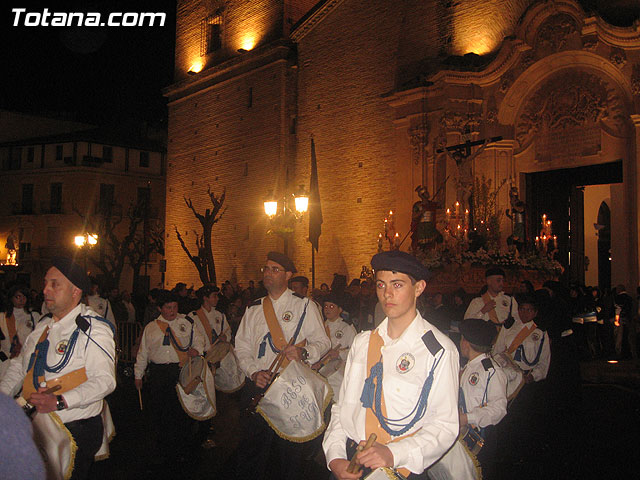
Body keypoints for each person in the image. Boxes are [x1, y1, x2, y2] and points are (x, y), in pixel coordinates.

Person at [323, 250, 459, 480]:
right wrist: (335, 457)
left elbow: (444, 426)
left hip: (401, 466)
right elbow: (342, 406)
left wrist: (393, 453)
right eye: (381, 285)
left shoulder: (438, 350)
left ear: (419, 288)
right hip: (351, 462)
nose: (387, 294)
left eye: (397, 285)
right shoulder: (363, 342)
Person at [0, 257, 116, 480]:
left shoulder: (92, 328)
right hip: (37, 426)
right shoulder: (43, 326)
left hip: (74, 429)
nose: (45, 290)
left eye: (55, 284)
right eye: (45, 283)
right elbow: (20, 366)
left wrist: (61, 401)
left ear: (75, 291)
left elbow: (105, 380)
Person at [234, 251, 330, 480]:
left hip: (290, 388)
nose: (268, 273)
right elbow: (241, 347)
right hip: (259, 386)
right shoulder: (254, 308)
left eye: (274, 269)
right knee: (254, 450)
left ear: (288, 275)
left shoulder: (304, 306)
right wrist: (253, 372)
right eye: (266, 269)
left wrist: (304, 352)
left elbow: (323, 341)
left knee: (289, 454)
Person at [134, 290, 206, 467]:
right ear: (160, 308)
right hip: (159, 373)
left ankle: (183, 448)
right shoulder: (151, 327)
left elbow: (199, 340)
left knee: (181, 412)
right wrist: (138, 374)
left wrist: (196, 350)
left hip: (180, 371)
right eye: (168, 307)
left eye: (175, 307)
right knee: (161, 412)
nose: (172, 311)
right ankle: (164, 448)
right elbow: (143, 353)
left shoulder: (187, 322)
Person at [430, 319, 507, 480]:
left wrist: (466, 418)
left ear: (466, 342)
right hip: (459, 437)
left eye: (462, 338)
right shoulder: (467, 367)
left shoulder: (491, 371)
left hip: (479, 438)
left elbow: (499, 409)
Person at [313, 292, 357, 400]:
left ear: (340, 309)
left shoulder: (346, 327)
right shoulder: (319, 326)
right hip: (320, 373)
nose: (327, 309)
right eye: (326, 306)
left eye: (332, 306)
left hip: (338, 374)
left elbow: (355, 351)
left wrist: (339, 353)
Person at [0, 285, 41, 378]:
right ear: (11, 298)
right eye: (18, 297)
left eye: (24, 297)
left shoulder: (34, 316)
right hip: (5, 360)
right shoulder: (2, 317)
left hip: (25, 360)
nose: (22, 300)